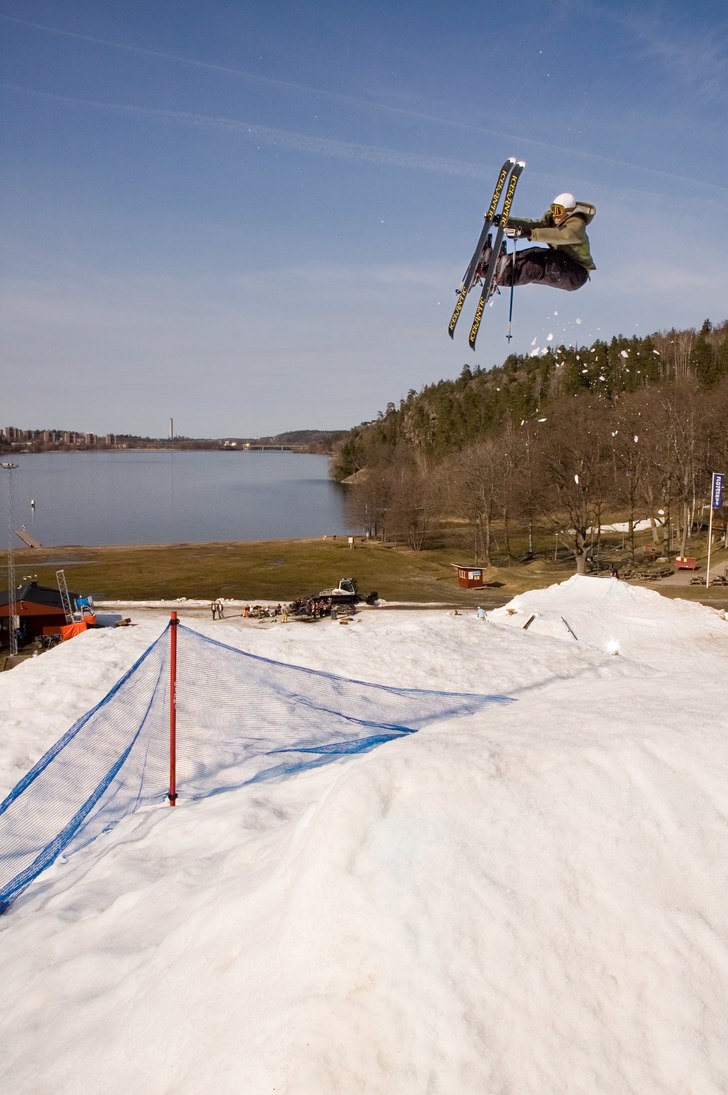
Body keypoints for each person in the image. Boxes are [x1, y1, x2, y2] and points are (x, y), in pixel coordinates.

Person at [494, 192, 596, 292]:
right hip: (563, 262)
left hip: (577, 272)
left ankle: (502, 275)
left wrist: (530, 234)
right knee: (534, 254)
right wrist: (506, 221)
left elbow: (564, 235)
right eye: (553, 209)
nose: (554, 215)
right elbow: (534, 225)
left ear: (568, 213)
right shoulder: (553, 220)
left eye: (558, 211)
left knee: (538, 265)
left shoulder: (576, 224)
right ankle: (495, 264)